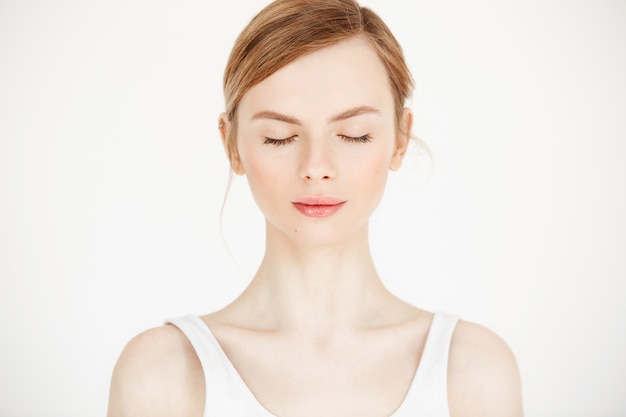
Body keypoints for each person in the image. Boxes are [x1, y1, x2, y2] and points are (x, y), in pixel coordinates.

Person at [106, 0, 523, 416]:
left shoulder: (472, 371)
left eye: (355, 135)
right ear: (231, 144)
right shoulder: (162, 373)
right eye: (279, 137)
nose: (316, 168)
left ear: (400, 137)